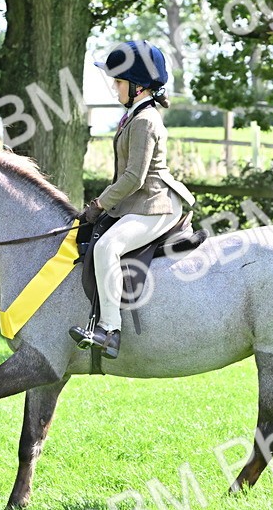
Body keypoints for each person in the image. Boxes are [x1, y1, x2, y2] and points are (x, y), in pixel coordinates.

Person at [70, 40, 195, 359]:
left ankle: (109, 331)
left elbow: (134, 177)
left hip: (156, 204)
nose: (115, 87)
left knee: (107, 247)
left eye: (119, 82)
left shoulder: (144, 121)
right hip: (140, 201)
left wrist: (99, 204)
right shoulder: (134, 115)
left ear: (138, 87)